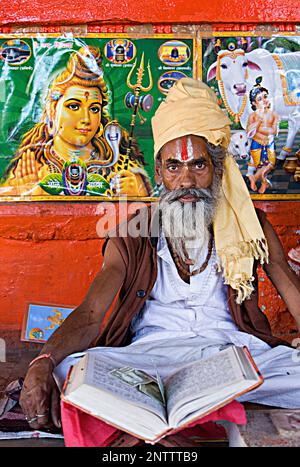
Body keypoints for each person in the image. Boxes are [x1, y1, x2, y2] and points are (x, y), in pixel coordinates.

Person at [19, 78, 300, 441]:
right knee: (68, 373)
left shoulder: (249, 225)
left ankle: (177, 422)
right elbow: (91, 313)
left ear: (217, 171)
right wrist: (43, 362)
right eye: (173, 167)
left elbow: (290, 287)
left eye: (198, 166)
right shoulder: (131, 234)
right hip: (150, 360)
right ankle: (198, 418)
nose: (186, 180)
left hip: (234, 356)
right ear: (158, 174)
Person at [1, 46, 152, 197]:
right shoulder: (31, 167)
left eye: (94, 109)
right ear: (53, 110)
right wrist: (25, 195)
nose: (86, 119)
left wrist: (136, 195)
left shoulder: (119, 168)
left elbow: (147, 215)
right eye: (74, 106)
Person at [246, 78, 279, 194]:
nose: (264, 100)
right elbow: (249, 130)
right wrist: (259, 125)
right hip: (257, 144)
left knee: (271, 164)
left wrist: (258, 128)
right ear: (254, 103)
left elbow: (273, 131)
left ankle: (254, 178)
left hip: (269, 143)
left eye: (265, 96)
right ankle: (264, 183)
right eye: (260, 99)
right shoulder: (253, 116)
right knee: (260, 166)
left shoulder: (273, 114)